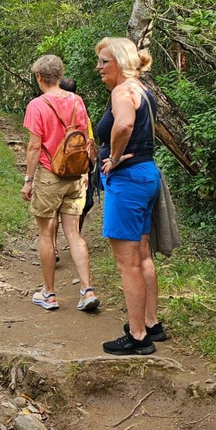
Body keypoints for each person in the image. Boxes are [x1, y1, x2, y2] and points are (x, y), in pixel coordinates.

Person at [94, 37, 167, 355]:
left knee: (128, 263)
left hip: (128, 181)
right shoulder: (142, 90)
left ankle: (138, 337)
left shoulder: (122, 91)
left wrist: (113, 157)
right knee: (142, 254)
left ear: (120, 62)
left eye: (103, 61)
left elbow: (123, 125)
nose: (98, 67)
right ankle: (151, 323)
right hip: (146, 175)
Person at [21, 55, 99, 312]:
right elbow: (87, 139)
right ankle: (87, 290)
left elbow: (34, 147)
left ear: (40, 77)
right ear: (60, 74)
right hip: (75, 175)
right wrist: (87, 172)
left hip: (49, 173)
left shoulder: (37, 105)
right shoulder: (77, 101)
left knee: (46, 234)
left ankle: (49, 294)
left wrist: (29, 180)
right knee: (74, 234)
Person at [59, 76, 96, 233]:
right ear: (77, 92)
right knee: (84, 203)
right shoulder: (81, 111)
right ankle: (76, 235)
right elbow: (89, 142)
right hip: (79, 163)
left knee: (55, 205)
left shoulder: (50, 110)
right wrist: (92, 165)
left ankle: (53, 245)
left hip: (56, 163)